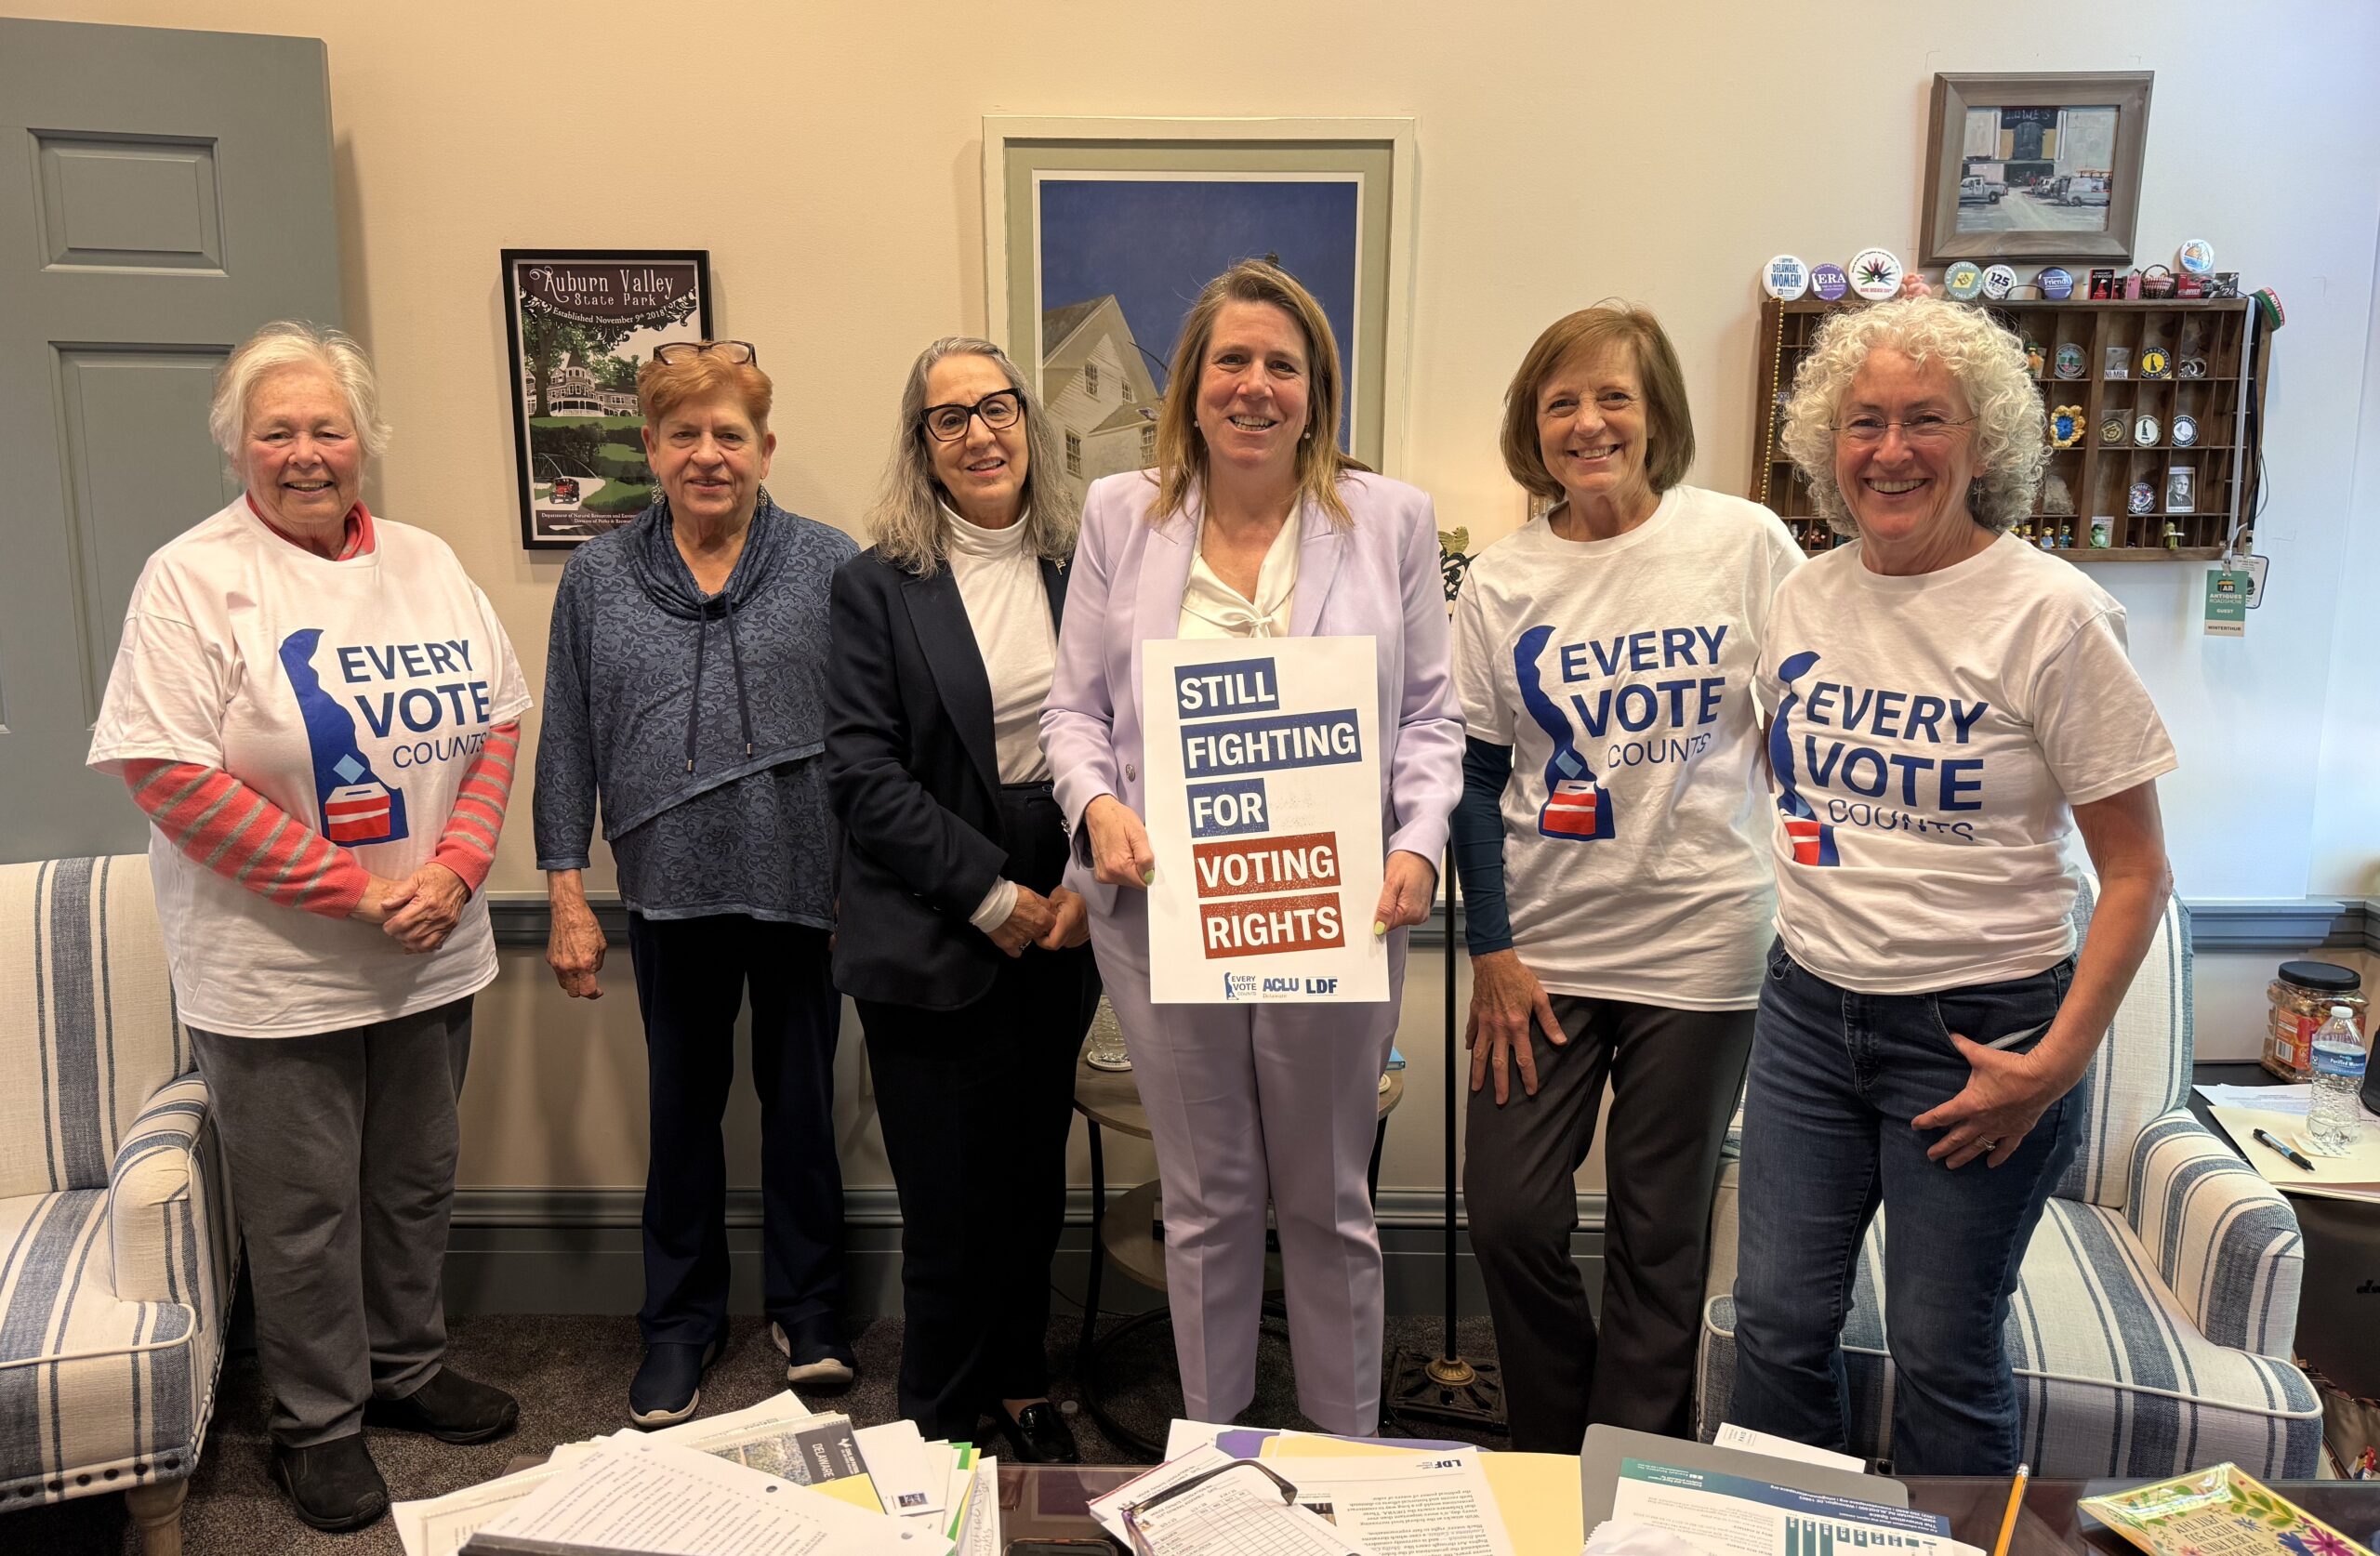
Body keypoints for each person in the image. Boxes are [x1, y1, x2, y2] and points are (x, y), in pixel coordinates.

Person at [86, 322, 529, 1533]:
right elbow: (168, 773)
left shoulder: (430, 563)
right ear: (237, 444)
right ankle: (318, 1423)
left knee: (415, 1182)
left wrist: (452, 866)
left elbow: (495, 723)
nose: (305, 452)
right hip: (275, 973)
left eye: (327, 427)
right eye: (276, 430)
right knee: (303, 1210)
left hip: (437, 949)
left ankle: (409, 1365)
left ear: (364, 441)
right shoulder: (193, 577)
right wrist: (364, 890)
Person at [1729, 296, 2176, 1471]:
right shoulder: (1804, 598)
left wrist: (2053, 1065)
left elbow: (2136, 872)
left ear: (1983, 446)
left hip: (1981, 1034)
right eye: (1863, 421)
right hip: (1807, 1017)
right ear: (1830, 445)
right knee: (1774, 1325)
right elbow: (1799, 793)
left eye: (1925, 420)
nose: (1890, 451)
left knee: (1941, 1347)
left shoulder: (2055, 615)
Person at [1041, 259, 1463, 1435]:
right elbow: (1072, 712)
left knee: (1328, 1202)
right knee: (1209, 1198)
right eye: (1232, 360)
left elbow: (1431, 715)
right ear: (1191, 384)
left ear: (1316, 390)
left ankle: (1347, 1457)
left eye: (1283, 364)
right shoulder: (1127, 516)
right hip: (1165, 908)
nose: (1255, 386)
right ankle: (1212, 1453)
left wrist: (1419, 842)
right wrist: (1094, 806)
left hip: (1333, 905)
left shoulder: (1389, 520)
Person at [1450, 305, 1802, 1449]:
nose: (1588, 422)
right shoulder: (1499, 580)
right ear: (1531, 426)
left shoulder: (1743, 543)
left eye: (1614, 398)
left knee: (1661, 1233)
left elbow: (1814, 714)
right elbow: (1470, 778)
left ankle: (1633, 1469)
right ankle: (1559, 1452)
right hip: (1542, 952)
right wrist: (1491, 952)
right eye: (1561, 402)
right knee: (1507, 1212)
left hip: (1702, 944)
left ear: (1657, 420)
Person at [535, 340, 860, 1428]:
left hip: (805, 889)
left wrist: (861, 880)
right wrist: (568, 896)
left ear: (766, 449)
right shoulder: (596, 578)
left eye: (729, 435)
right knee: (680, 1120)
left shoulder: (828, 564)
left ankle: (810, 1309)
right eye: (685, 435)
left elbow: (870, 733)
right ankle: (680, 1324)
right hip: (669, 893)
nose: (707, 455)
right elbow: (567, 742)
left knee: (802, 1112)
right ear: (652, 449)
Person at [825, 336, 1098, 1461]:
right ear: (922, 446)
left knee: (1032, 1178)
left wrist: (1076, 881)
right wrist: (995, 899)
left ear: (1030, 423)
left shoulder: (1087, 567)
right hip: (933, 909)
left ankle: (1022, 1380)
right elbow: (860, 772)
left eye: (997, 408)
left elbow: (1127, 740)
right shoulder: (874, 586)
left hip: (1070, 899)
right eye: (950, 418)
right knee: (948, 1197)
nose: (980, 432)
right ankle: (938, 1417)